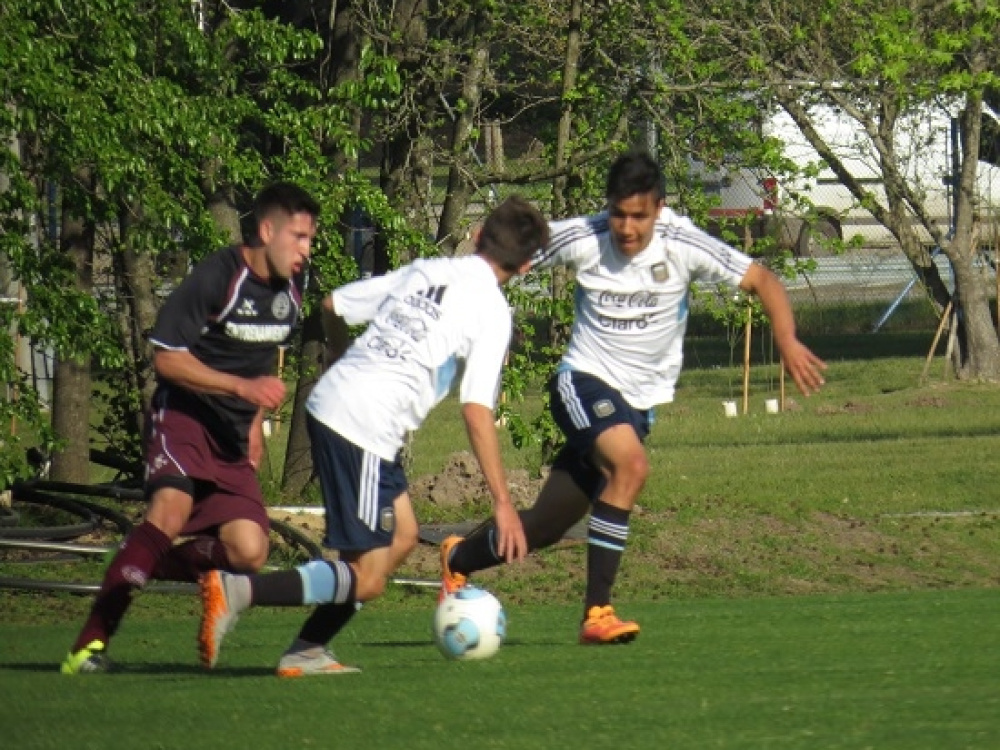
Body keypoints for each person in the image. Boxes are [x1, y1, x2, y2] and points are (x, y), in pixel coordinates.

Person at [440, 151, 827, 645]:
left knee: (545, 527)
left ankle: (458, 558)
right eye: (618, 213)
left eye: (638, 216)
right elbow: (500, 253)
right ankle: (597, 613)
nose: (626, 227)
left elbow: (762, 280)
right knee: (632, 467)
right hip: (582, 382)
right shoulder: (585, 236)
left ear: (659, 209)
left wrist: (787, 340)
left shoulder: (682, 243)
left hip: (635, 408)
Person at [197, 195, 549, 676]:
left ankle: (307, 651)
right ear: (526, 265)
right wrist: (503, 504)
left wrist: (341, 359)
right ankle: (238, 591)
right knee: (367, 577)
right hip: (362, 426)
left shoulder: (428, 270)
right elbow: (476, 411)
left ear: (478, 235)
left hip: (348, 413)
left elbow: (332, 305)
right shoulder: (491, 311)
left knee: (401, 538)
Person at [60, 182, 320, 674]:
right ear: (267, 231)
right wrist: (240, 389)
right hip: (184, 417)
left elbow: (262, 357)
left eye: (311, 239)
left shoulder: (290, 289)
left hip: (230, 436)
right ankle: (89, 646)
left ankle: (140, 561)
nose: (306, 250)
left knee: (249, 552)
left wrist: (253, 424)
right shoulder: (218, 276)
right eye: (299, 237)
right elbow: (167, 359)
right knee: (169, 513)